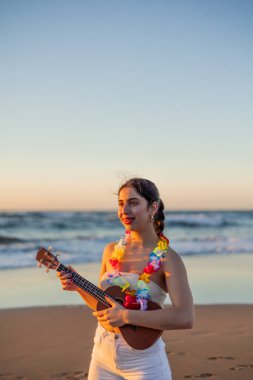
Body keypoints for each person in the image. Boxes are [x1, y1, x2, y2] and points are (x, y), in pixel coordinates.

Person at [57, 178, 194, 379]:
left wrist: (127, 316)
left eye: (133, 202)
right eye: (121, 203)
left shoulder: (168, 258)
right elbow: (104, 305)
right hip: (102, 353)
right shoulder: (111, 250)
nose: (125, 210)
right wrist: (78, 286)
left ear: (152, 208)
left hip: (144, 361)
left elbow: (185, 318)